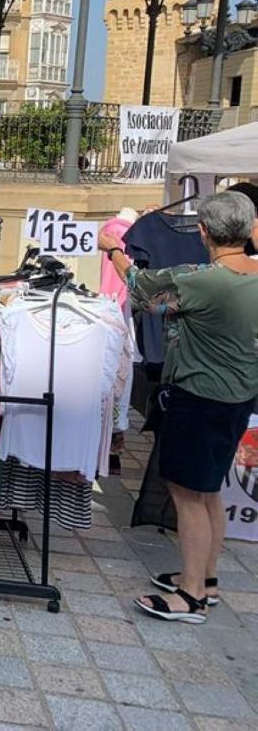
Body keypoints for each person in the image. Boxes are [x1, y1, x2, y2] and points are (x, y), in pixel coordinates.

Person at [100, 190, 258, 624]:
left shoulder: (203, 280)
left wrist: (113, 249)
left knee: (186, 495)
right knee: (208, 491)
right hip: (237, 397)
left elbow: (141, 289)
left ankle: (190, 596)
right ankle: (205, 579)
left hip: (199, 396)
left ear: (204, 232)